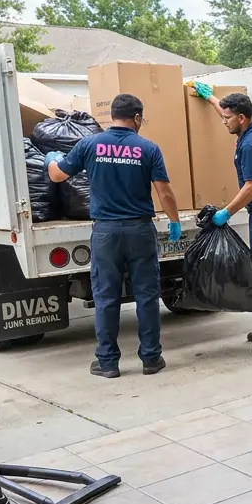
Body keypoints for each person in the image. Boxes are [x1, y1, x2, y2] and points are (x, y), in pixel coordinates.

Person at [47, 93, 182, 379]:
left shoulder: (89, 144)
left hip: (106, 232)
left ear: (112, 116)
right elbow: (165, 191)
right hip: (140, 231)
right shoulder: (148, 148)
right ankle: (151, 359)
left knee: (106, 297)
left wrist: (52, 159)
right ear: (136, 118)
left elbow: (57, 176)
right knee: (146, 295)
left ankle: (107, 363)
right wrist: (174, 221)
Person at [189, 83, 252, 353]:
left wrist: (225, 213)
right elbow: (227, 109)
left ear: (241, 118)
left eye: (226, 118)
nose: (223, 122)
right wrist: (210, 97)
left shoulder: (251, 145)